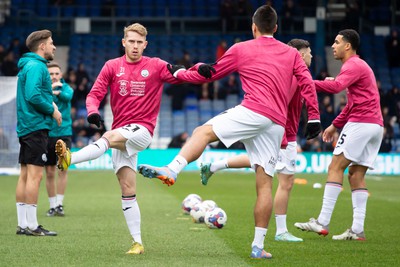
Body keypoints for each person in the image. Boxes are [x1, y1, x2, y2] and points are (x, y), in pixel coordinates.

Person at [138, 5, 321, 259]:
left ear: (253, 27)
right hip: (276, 124)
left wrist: (181, 72)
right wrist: (314, 118)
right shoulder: (291, 54)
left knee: (202, 132)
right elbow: (307, 84)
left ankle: (173, 169)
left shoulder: (242, 48)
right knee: (265, 184)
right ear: (276, 28)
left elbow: (209, 74)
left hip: (254, 110)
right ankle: (258, 246)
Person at [55, 23, 183, 254]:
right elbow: (95, 93)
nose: (135, 46)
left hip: (142, 130)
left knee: (109, 136)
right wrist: (93, 111)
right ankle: (138, 242)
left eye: (139, 42)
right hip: (121, 132)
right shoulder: (112, 66)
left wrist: (198, 69)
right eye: (131, 41)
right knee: (127, 187)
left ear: (145, 44)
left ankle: (69, 159)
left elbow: (180, 75)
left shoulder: (155, 65)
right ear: (123, 42)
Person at [199, 38, 314, 243]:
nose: (311, 55)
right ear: (299, 53)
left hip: (278, 129)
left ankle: (215, 166)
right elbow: (283, 100)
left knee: (258, 160)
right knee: (285, 182)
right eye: (309, 52)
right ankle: (280, 231)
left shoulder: (289, 71)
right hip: (282, 131)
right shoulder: (294, 74)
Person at [294, 29, 384, 241]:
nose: (333, 46)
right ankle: (357, 230)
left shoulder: (353, 64)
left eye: (336, 42)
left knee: (335, 167)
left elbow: (335, 87)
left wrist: (306, 82)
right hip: (375, 126)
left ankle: (322, 222)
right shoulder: (359, 67)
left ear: (347, 46)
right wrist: (335, 125)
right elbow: (352, 104)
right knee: (355, 175)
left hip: (361, 123)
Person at [15, 29, 62, 236]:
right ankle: (33, 226)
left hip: (26, 126)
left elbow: (36, 93)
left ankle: (23, 224)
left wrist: (51, 102)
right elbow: (34, 95)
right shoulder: (37, 66)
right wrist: (52, 110)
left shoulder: (28, 65)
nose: (54, 46)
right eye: (51, 43)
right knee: (35, 177)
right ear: (42, 46)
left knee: (25, 175)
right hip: (35, 127)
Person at [44, 62, 73, 217]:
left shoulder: (67, 88)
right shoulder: (43, 89)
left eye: (56, 73)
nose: (54, 76)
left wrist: (56, 92)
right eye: (51, 74)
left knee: (63, 168)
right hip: (48, 133)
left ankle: (60, 204)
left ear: (61, 75)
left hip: (64, 133)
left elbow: (67, 97)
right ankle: (52, 205)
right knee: (49, 171)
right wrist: (51, 91)